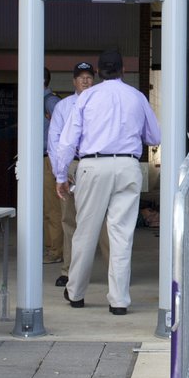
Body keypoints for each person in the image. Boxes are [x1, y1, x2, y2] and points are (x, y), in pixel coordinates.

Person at [54, 49, 160, 315]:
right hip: (127, 165)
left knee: (85, 232)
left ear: (99, 72)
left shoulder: (87, 97)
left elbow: (68, 140)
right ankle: (119, 300)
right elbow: (154, 136)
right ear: (123, 70)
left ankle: (76, 293)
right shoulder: (136, 97)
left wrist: (60, 174)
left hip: (93, 165)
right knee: (122, 236)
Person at [47, 61, 105, 290]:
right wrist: (59, 171)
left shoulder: (102, 103)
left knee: (102, 220)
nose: (85, 80)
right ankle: (69, 270)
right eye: (80, 77)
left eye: (89, 77)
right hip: (73, 163)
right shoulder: (63, 106)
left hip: (97, 162)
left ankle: (112, 272)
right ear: (73, 81)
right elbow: (55, 140)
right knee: (69, 219)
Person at [42, 68, 62, 265]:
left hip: (48, 158)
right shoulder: (39, 100)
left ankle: (55, 250)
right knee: (44, 208)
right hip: (40, 158)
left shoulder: (51, 102)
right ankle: (51, 247)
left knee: (52, 209)